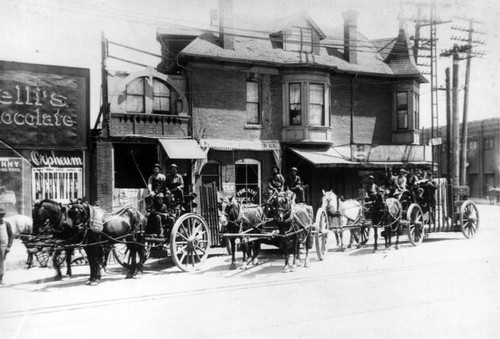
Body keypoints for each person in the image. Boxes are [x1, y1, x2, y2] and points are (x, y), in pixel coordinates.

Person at [0, 208, 14, 284]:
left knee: (2, 263)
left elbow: (11, 236)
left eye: (1, 216)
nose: (0, 218)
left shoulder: (7, 224)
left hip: (3, 246)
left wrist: (9, 246)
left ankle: (1, 279)